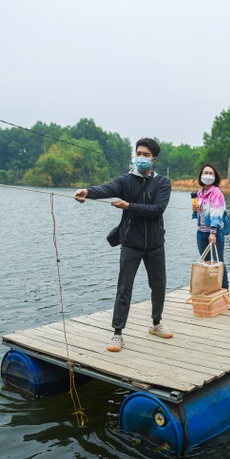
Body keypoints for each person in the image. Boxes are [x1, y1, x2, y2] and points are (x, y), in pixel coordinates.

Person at [73, 138, 172, 352]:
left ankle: (156, 324)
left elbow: (157, 209)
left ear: (153, 159)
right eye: (138, 153)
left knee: (158, 286)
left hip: (155, 245)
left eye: (146, 155)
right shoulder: (126, 181)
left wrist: (129, 206)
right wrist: (87, 192)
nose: (141, 158)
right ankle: (117, 333)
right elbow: (107, 188)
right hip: (131, 244)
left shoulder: (162, 183)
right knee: (124, 289)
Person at [192, 163, 229, 290]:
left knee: (219, 262)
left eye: (210, 173)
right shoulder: (200, 193)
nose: (207, 175)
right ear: (201, 176)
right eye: (205, 173)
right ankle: (210, 290)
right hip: (201, 232)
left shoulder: (216, 193)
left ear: (215, 177)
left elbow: (216, 213)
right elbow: (200, 214)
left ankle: (224, 290)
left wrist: (213, 232)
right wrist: (195, 210)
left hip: (215, 232)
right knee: (206, 263)